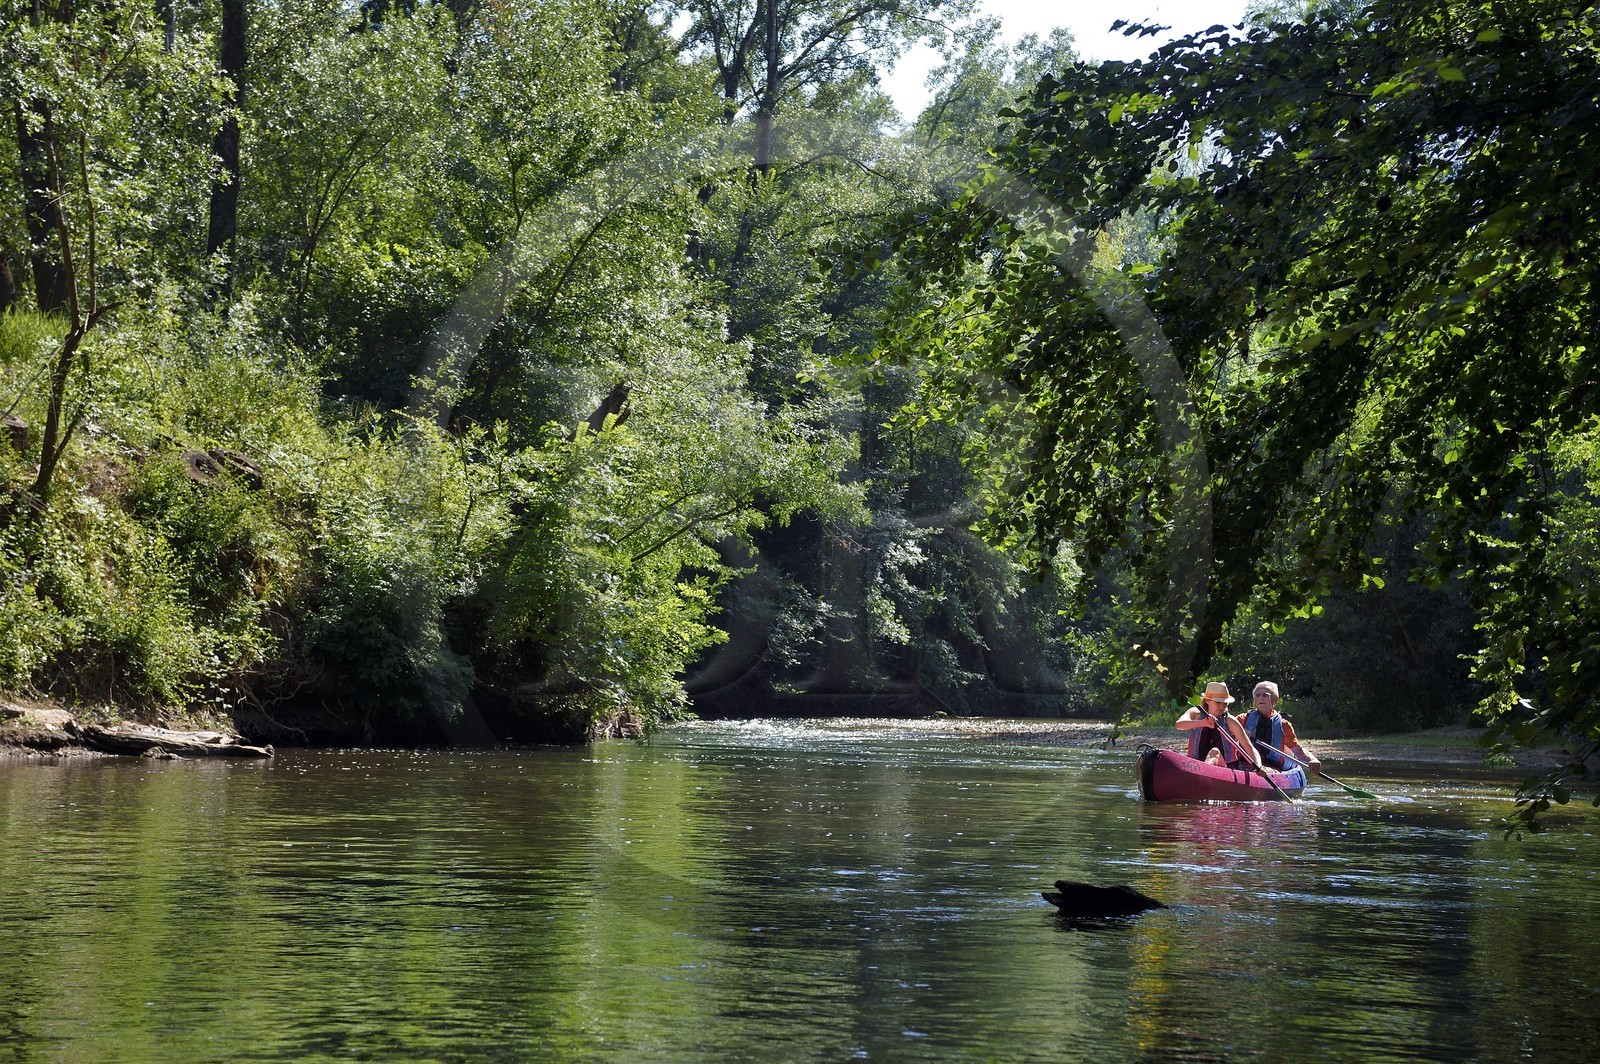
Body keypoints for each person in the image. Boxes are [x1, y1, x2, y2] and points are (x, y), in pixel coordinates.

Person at [1174, 681, 1263, 770]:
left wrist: (1259, 766)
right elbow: (1179, 725)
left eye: (1224, 703)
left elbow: (1249, 747)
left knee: (1214, 752)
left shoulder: (1230, 720)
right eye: (1218, 702)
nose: (1222, 706)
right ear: (1208, 700)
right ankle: (1201, 772)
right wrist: (1203, 723)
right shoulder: (1195, 713)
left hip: (1226, 768)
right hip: (1196, 765)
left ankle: (1202, 772)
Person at [1243, 681, 1322, 776]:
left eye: (1265, 695)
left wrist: (1312, 759)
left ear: (1275, 700)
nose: (1261, 698)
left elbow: (1297, 751)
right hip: (1246, 764)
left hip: (1272, 767)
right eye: (1258, 695)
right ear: (1254, 699)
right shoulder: (1241, 720)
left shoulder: (1284, 725)